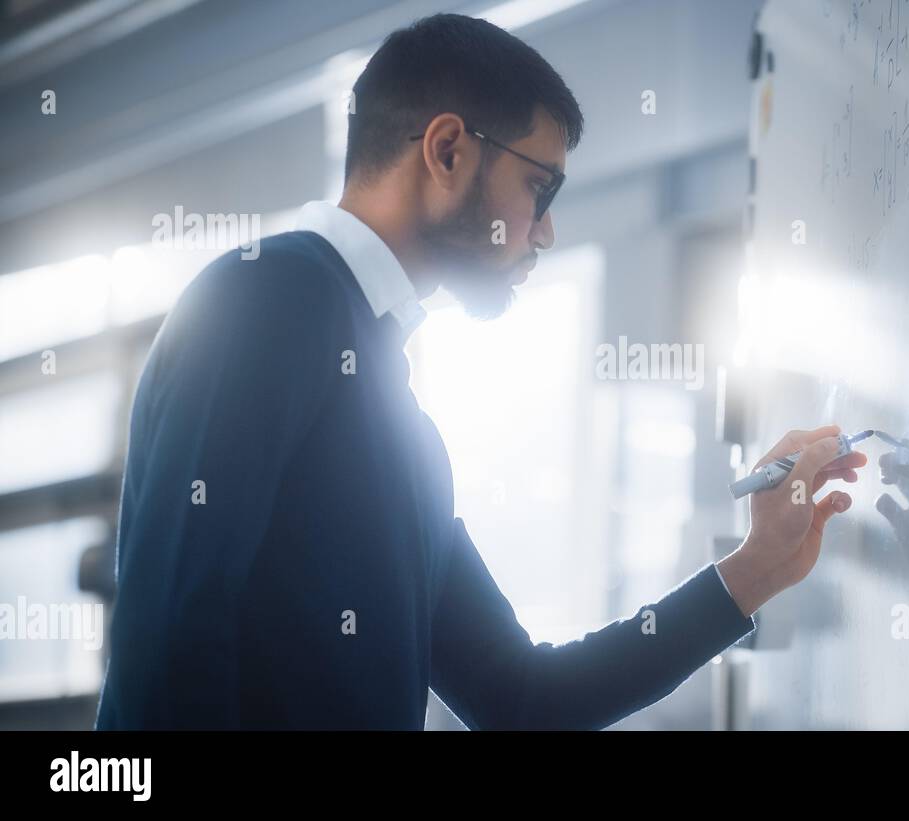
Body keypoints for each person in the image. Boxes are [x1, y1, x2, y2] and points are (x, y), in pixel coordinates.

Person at [94, 12, 865, 730]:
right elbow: (162, 661)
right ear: (447, 150)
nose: (548, 230)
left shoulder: (402, 430)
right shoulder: (264, 297)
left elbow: (521, 697)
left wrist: (755, 567)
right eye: (541, 186)